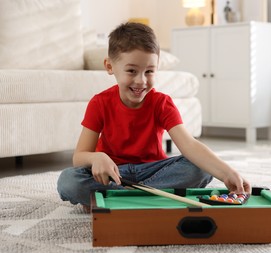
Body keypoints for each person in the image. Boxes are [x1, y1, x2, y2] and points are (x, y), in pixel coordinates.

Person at [57, 22, 251, 208]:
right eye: (131, 71)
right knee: (68, 180)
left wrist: (227, 173)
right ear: (110, 67)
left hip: (155, 170)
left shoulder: (162, 103)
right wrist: (96, 158)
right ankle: (146, 197)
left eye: (149, 71)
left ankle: (117, 198)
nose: (141, 81)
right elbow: (79, 157)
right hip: (114, 174)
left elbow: (189, 145)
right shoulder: (99, 103)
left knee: (200, 168)